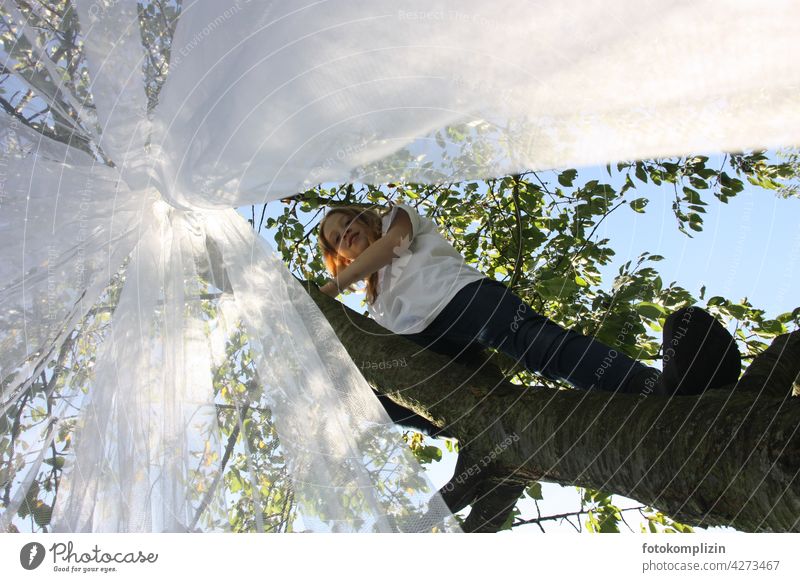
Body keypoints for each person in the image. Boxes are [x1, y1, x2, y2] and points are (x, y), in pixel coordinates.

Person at [317, 202, 741, 405]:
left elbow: (395, 245)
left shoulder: (394, 218)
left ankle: (656, 390)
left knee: (541, 348)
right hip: (427, 341)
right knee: (390, 398)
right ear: (340, 255)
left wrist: (332, 288)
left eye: (347, 221)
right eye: (336, 239)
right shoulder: (372, 297)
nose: (345, 232)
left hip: (462, 299)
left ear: (363, 215)